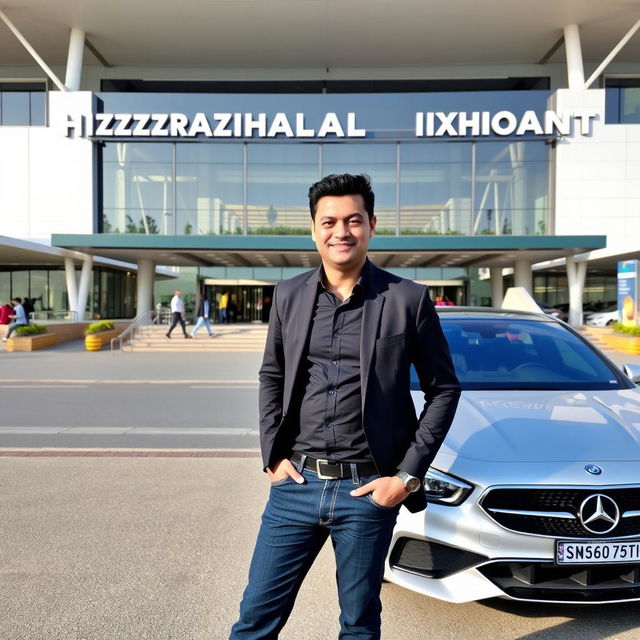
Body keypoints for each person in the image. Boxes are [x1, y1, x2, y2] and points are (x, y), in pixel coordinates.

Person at [230, 174, 460, 640]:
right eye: (329, 221)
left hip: (367, 492)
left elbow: (444, 390)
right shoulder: (290, 296)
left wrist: (406, 476)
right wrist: (271, 455)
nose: (342, 231)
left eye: (353, 220)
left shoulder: (407, 299)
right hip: (296, 485)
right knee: (255, 619)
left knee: (358, 625)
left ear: (371, 225)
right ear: (314, 229)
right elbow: (271, 376)